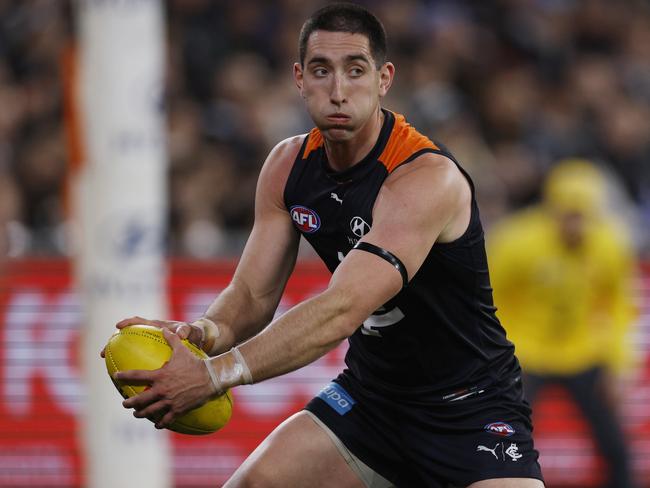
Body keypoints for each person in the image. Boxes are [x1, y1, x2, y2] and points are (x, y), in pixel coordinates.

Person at [110, 4, 544, 487]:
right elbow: (253, 296)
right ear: (299, 78)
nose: (338, 91)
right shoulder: (287, 166)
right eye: (321, 71)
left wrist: (215, 376)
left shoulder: (424, 178)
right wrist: (203, 334)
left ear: (384, 79)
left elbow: (341, 310)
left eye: (355, 71)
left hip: (470, 408)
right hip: (371, 403)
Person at [488, 159, 638, 488]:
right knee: (504, 437)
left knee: (614, 443)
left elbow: (618, 307)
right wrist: (496, 354)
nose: (577, 225)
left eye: (585, 215)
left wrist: (617, 362)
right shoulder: (516, 242)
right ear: (552, 208)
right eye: (570, 214)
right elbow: (486, 298)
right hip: (523, 352)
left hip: (581, 350)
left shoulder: (609, 245)